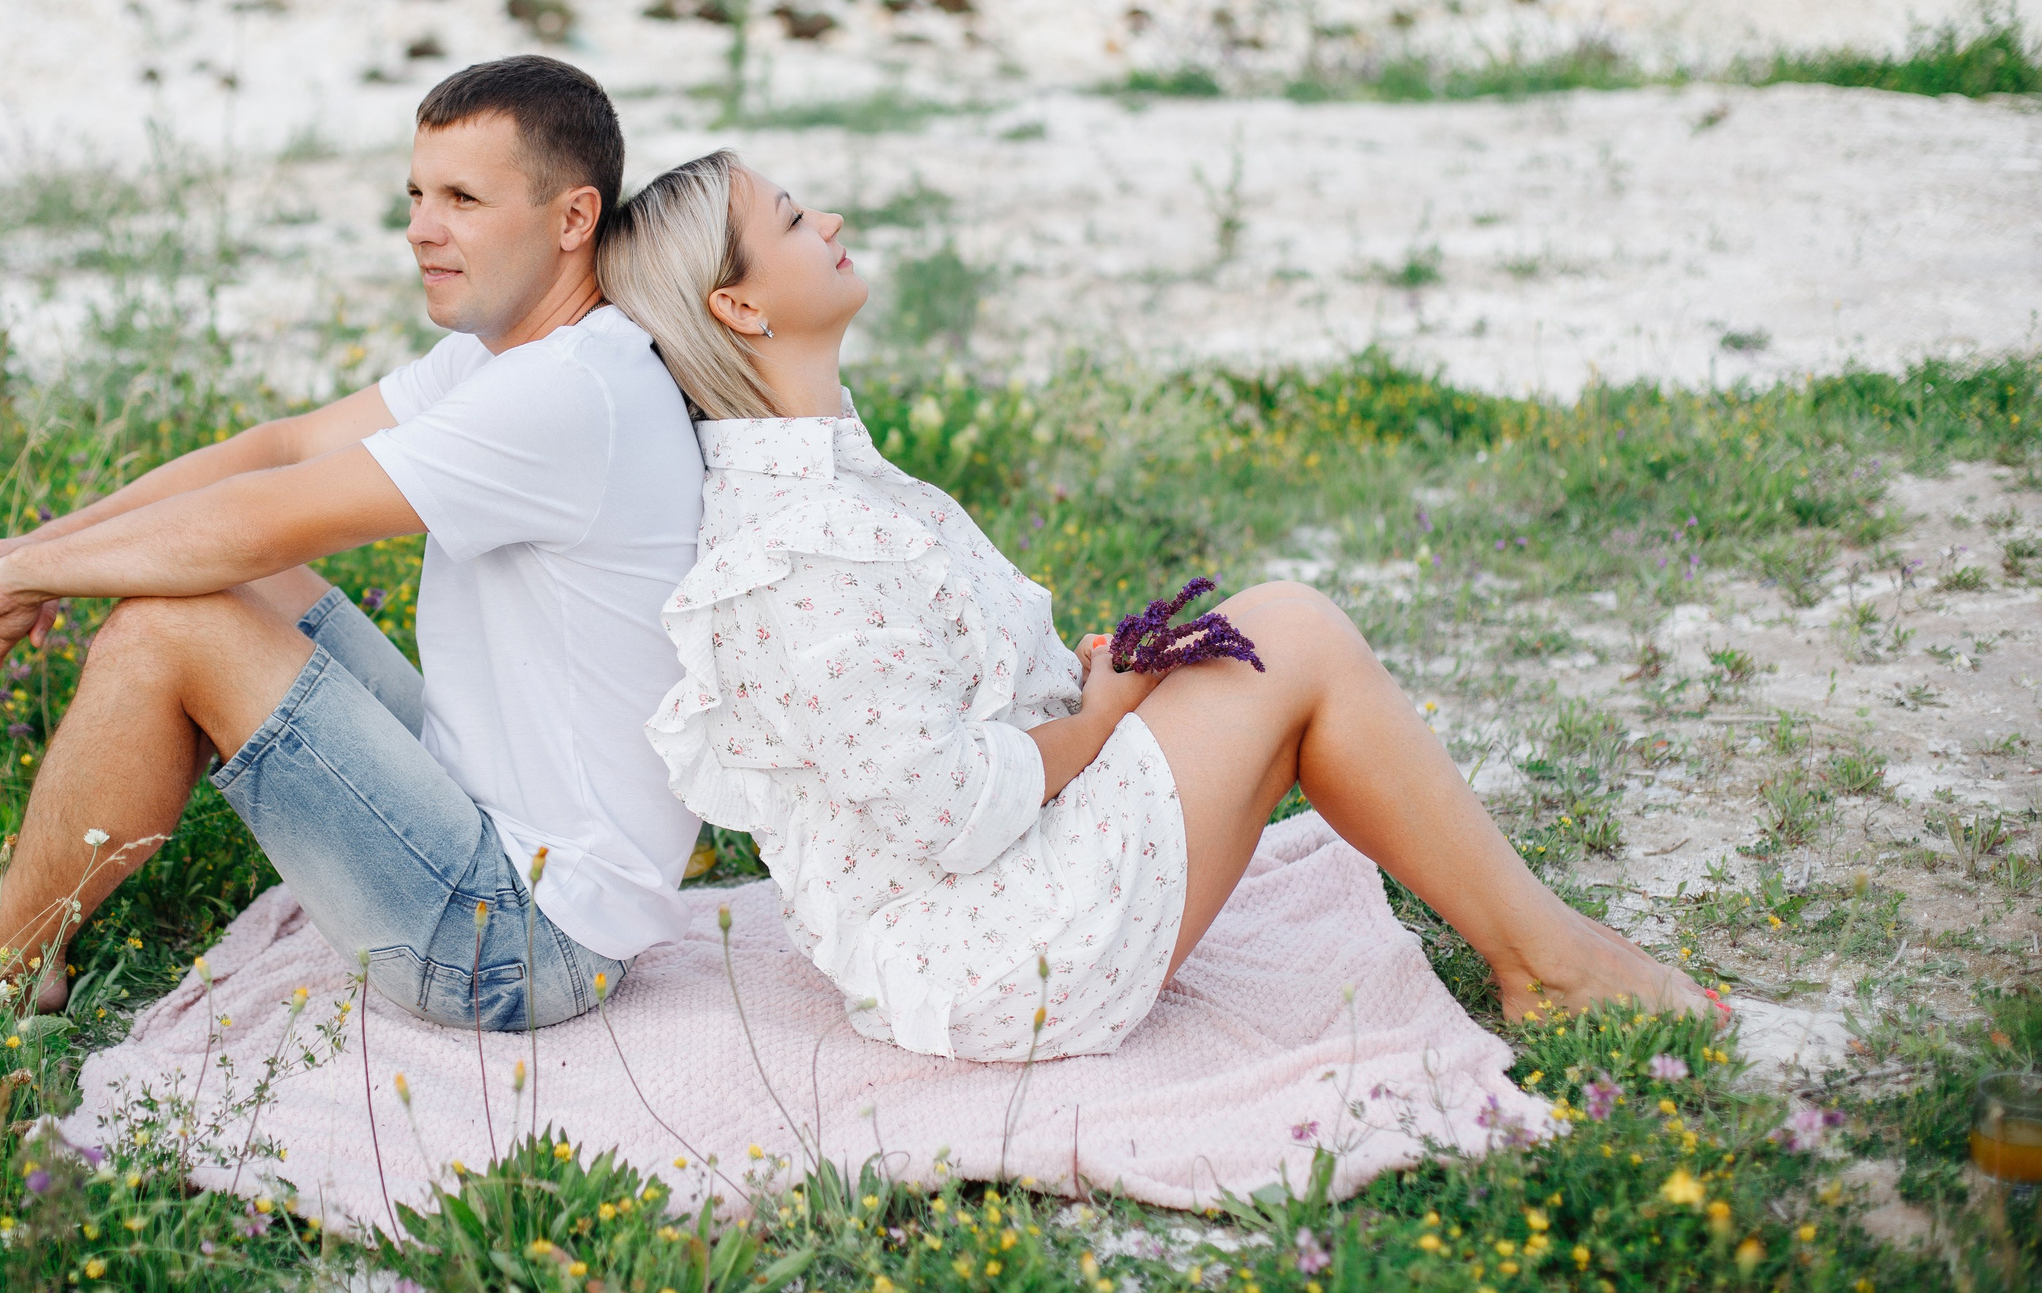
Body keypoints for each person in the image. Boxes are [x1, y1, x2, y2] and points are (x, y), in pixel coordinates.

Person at [595, 150, 1713, 1062]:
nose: (826, 216)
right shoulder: (792, 551)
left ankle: (1544, 951)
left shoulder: (830, 477)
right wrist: (1099, 717)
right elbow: (946, 812)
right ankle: (1550, 966)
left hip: (997, 893)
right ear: (737, 304)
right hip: (992, 958)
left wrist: (1084, 685)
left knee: (1267, 644)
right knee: (1295, 629)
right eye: (792, 219)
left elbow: (927, 729)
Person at [0, 56, 705, 1034]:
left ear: (572, 219)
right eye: (415, 194)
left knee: (173, 627)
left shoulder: (568, 391)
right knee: (243, 581)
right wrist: (34, 547)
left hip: (522, 944)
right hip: (493, 823)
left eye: (461, 198)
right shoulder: (514, 357)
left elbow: (256, 518)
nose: (419, 228)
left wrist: (27, 578)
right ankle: (33, 946)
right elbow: (274, 452)